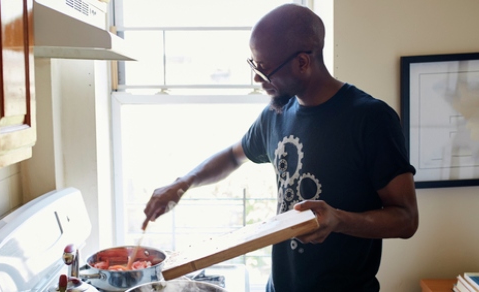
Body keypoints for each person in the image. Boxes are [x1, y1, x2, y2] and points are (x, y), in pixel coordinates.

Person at [142, 3, 418, 291]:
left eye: (264, 69)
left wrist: (338, 220)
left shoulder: (371, 118)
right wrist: (183, 182)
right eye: (253, 65)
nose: (257, 78)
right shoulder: (276, 114)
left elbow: (407, 219)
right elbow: (233, 156)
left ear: (302, 61)